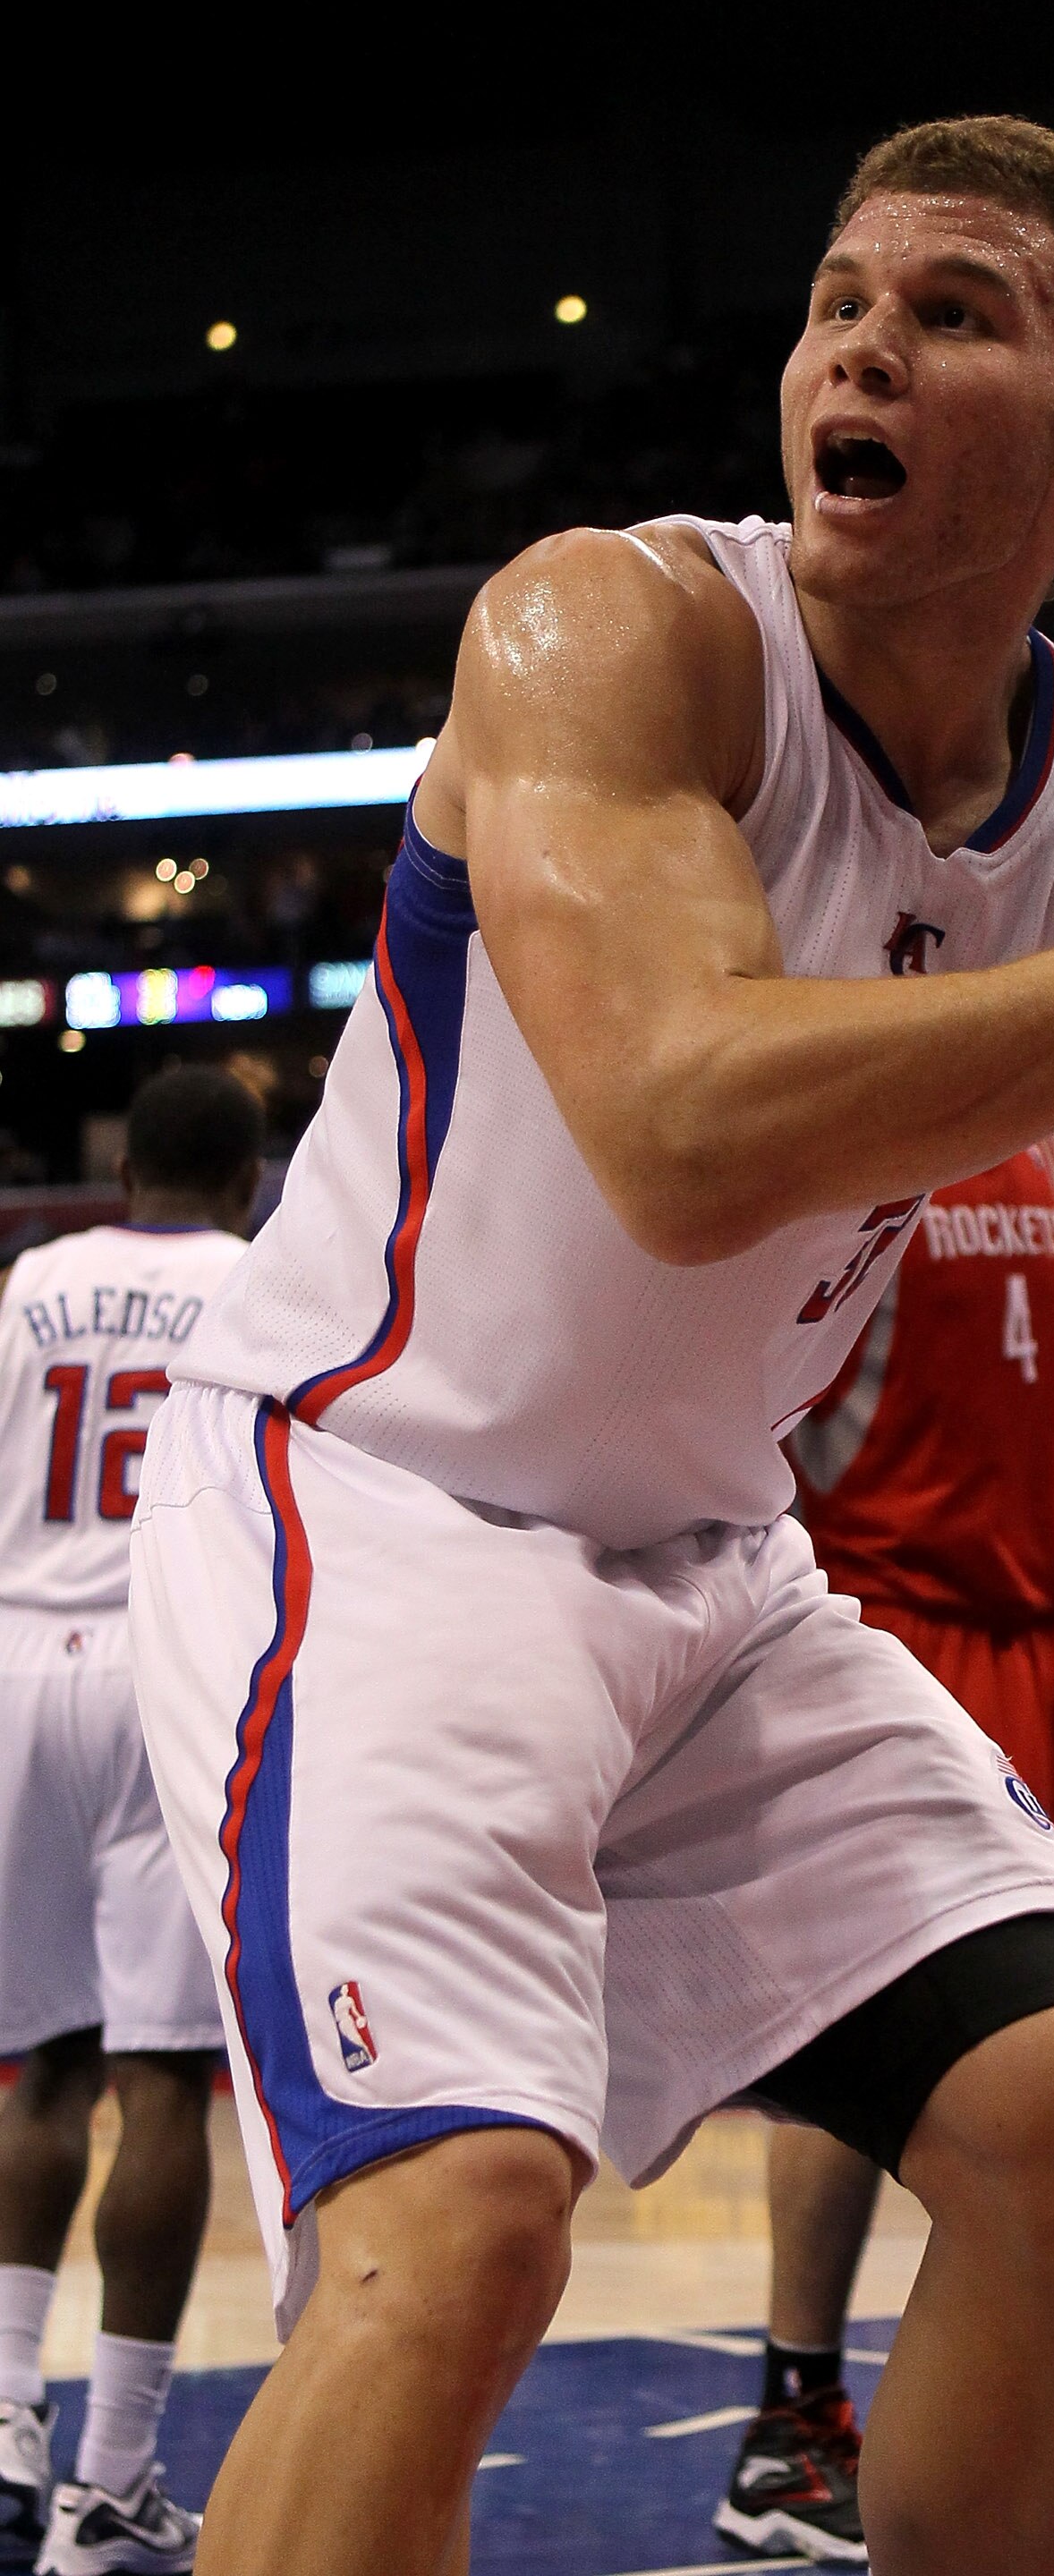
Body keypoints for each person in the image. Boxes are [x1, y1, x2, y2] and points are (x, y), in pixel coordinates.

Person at [127, 113, 1054, 2576]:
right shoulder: (614, 631)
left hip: (712, 1570)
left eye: (949, 313)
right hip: (373, 1512)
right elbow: (685, 1133)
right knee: (456, 2227)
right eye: (837, 303)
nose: (859, 347)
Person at [718, 1138, 1054, 2563]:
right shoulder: (875, 1097)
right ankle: (791, 2421)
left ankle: (1045, 2459)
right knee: (871, 2038)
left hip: (1033, 1620)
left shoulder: (1048, 1117)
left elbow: (1020, 1404)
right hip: (891, 1608)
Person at [0, 1069, 263, 2575]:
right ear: (244, 1181)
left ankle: (2, 2416)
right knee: (162, 2085)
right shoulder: (257, 1285)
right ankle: (108, 2482)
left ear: (121, 1174)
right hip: (162, 1674)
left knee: (43, 2067)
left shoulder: (34, 1281)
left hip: (18, 1669)